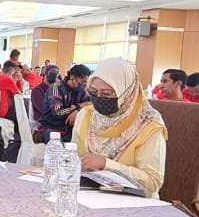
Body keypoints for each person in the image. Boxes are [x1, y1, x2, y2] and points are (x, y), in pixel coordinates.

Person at [71, 58, 167, 198]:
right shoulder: (86, 115)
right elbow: (74, 157)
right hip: (89, 195)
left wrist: (107, 164)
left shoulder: (149, 125)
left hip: (134, 201)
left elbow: (152, 182)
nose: (98, 98)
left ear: (126, 92)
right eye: (93, 92)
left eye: (106, 94)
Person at [33, 64, 90, 141]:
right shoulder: (56, 88)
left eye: (86, 80)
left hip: (69, 128)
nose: (85, 82)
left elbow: (90, 104)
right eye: (82, 79)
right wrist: (78, 107)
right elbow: (58, 113)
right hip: (51, 127)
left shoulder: (80, 91)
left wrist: (78, 111)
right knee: (59, 145)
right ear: (72, 77)